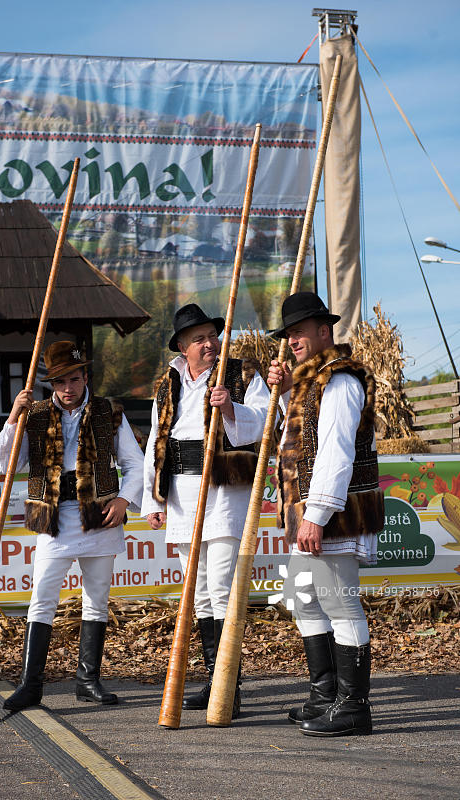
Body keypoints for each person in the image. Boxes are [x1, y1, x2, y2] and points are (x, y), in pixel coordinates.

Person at [0, 341, 144, 711]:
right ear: (51, 385)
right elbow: (3, 463)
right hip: (54, 516)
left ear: (85, 376)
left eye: (74, 379)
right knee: (42, 600)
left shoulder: (110, 412)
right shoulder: (37, 414)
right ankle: (31, 685)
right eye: (60, 382)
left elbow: (136, 464)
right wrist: (14, 416)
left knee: (96, 599)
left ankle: (87, 680)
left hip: (100, 514)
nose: (68, 388)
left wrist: (124, 500)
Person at [141, 303, 270, 718]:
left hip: (225, 493)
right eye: (198, 338)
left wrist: (231, 408)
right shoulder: (168, 383)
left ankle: (228, 689)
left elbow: (269, 419)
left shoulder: (242, 373)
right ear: (181, 346)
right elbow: (156, 442)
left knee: (220, 588)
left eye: (212, 335)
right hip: (181, 493)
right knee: (197, 595)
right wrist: (152, 500)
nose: (209, 343)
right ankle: (215, 681)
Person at [268, 292, 384, 737]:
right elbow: (297, 440)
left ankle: (354, 706)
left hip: (335, 514)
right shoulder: (309, 383)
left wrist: (316, 515)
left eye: (300, 331)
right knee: (305, 599)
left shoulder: (339, 381)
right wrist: (282, 396)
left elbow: (335, 453)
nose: (293, 340)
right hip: (309, 515)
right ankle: (325, 695)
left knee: (339, 602)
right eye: (289, 333)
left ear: (324, 330)